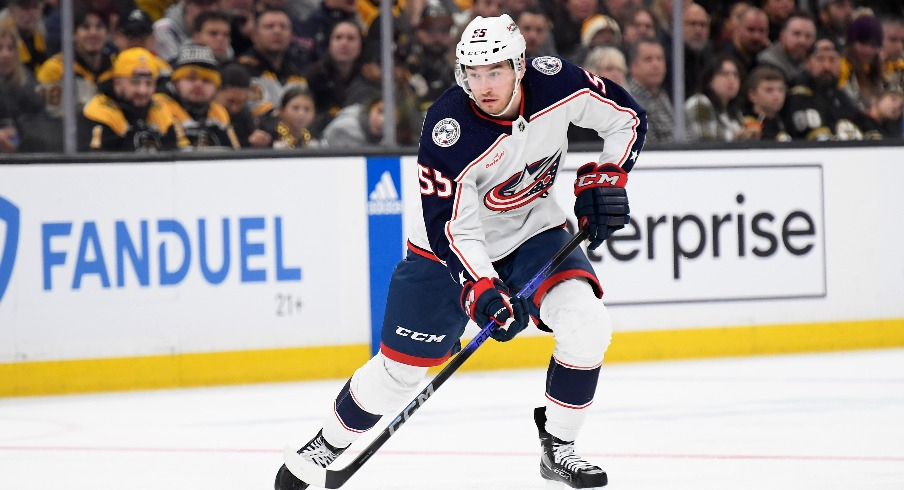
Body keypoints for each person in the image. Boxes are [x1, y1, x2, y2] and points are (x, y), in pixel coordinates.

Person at [275, 13, 647, 490]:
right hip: (443, 253)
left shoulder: (557, 81)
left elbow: (627, 117)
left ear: (520, 65)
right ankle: (328, 442)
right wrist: (482, 288)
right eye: (473, 73)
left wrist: (609, 174)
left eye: (495, 71)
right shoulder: (448, 129)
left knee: (587, 323)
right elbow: (453, 229)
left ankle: (560, 445)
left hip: (533, 228)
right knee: (398, 375)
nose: (484, 85)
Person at [79, 47, 181, 151]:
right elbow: (97, 163)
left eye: (149, 83)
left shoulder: (160, 109)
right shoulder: (99, 112)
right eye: (135, 82)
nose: (143, 90)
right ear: (117, 83)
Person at [157, 43, 240, 149]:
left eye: (207, 80)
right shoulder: (159, 106)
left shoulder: (218, 112)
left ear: (216, 87)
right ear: (175, 82)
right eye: (191, 78)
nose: (198, 85)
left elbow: (234, 155)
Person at [36, 8, 114, 118]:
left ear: (107, 33)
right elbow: (43, 114)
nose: (93, 32)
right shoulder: (55, 69)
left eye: (99, 27)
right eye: (86, 27)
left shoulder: (117, 67)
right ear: (74, 34)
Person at [784, 37, 864, 140]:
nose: (827, 66)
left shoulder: (840, 95)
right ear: (808, 63)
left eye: (832, 60)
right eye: (820, 59)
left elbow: (860, 121)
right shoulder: (798, 94)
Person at [684, 54, 751, 142]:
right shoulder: (699, 102)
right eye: (724, 74)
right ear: (709, 79)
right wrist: (737, 136)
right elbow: (705, 137)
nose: (731, 79)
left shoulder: (735, 112)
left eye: (735, 75)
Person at [626, 38, 673, 143]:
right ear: (633, 66)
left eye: (660, 59)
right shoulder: (627, 103)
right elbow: (649, 148)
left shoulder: (665, 96)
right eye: (648, 59)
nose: (656, 65)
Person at [756, 11, 816, 83]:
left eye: (808, 36)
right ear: (782, 36)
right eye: (796, 34)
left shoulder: (812, 61)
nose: (802, 41)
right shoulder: (767, 63)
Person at [260, 83, 319, 148]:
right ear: (282, 111)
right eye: (295, 108)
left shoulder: (315, 138)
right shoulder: (268, 135)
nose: (301, 114)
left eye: (307, 109)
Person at [742, 65, 791, 141]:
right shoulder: (745, 125)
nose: (777, 95)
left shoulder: (784, 121)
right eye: (769, 90)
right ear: (752, 95)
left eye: (781, 90)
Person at [0, 0, 48, 73]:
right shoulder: (3, 34)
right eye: (24, 7)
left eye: (35, 6)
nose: (31, 13)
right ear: (11, 11)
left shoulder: (41, 34)